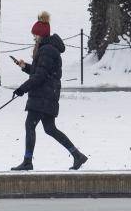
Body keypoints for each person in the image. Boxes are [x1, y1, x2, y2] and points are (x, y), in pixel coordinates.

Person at [10, 14, 88, 171]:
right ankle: (77, 155)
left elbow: (40, 76)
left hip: (43, 96)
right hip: (48, 95)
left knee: (30, 125)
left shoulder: (47, 50)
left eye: (35, 35)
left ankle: (27, 161)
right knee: (50, 128)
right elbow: (40, 72)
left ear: (40, 35)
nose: (34, 38)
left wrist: (22, 89)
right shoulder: (48, 49)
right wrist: (25, 67)